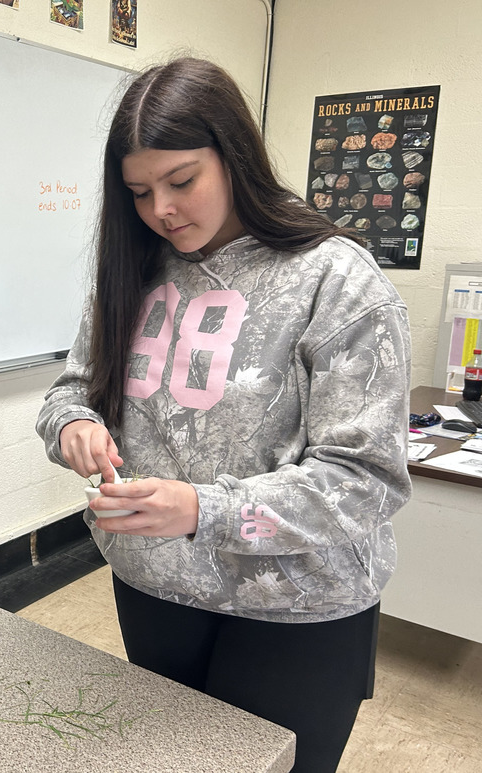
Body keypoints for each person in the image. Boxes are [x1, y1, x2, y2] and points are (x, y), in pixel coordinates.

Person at [36, 57, 411, 772]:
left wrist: (204, 510)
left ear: (235, 155)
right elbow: (71, 390)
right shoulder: (134, 268)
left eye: (182, 181)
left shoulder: (335, 278)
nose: (162, 210)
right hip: (153, 585)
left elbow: (364, 480)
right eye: (140, 192)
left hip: (297, 606)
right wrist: (73, 425)